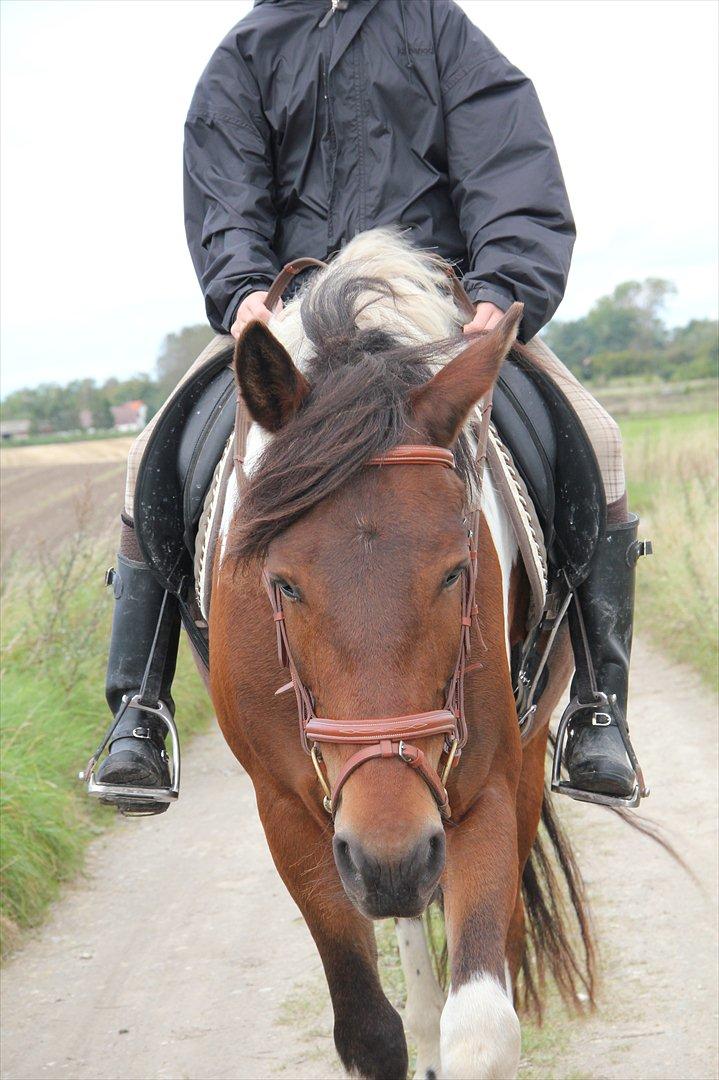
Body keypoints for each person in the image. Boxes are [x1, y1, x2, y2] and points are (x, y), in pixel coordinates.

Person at [94, 0, 642, 814]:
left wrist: (502, 287)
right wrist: (243, 289)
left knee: (596, 442)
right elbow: (224, 192)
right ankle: (140, 708)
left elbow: (509, 168)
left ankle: (598, 708)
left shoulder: (437, 28)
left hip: (434, 305)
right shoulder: (246, 51)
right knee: (151, 457)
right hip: (295, 315)